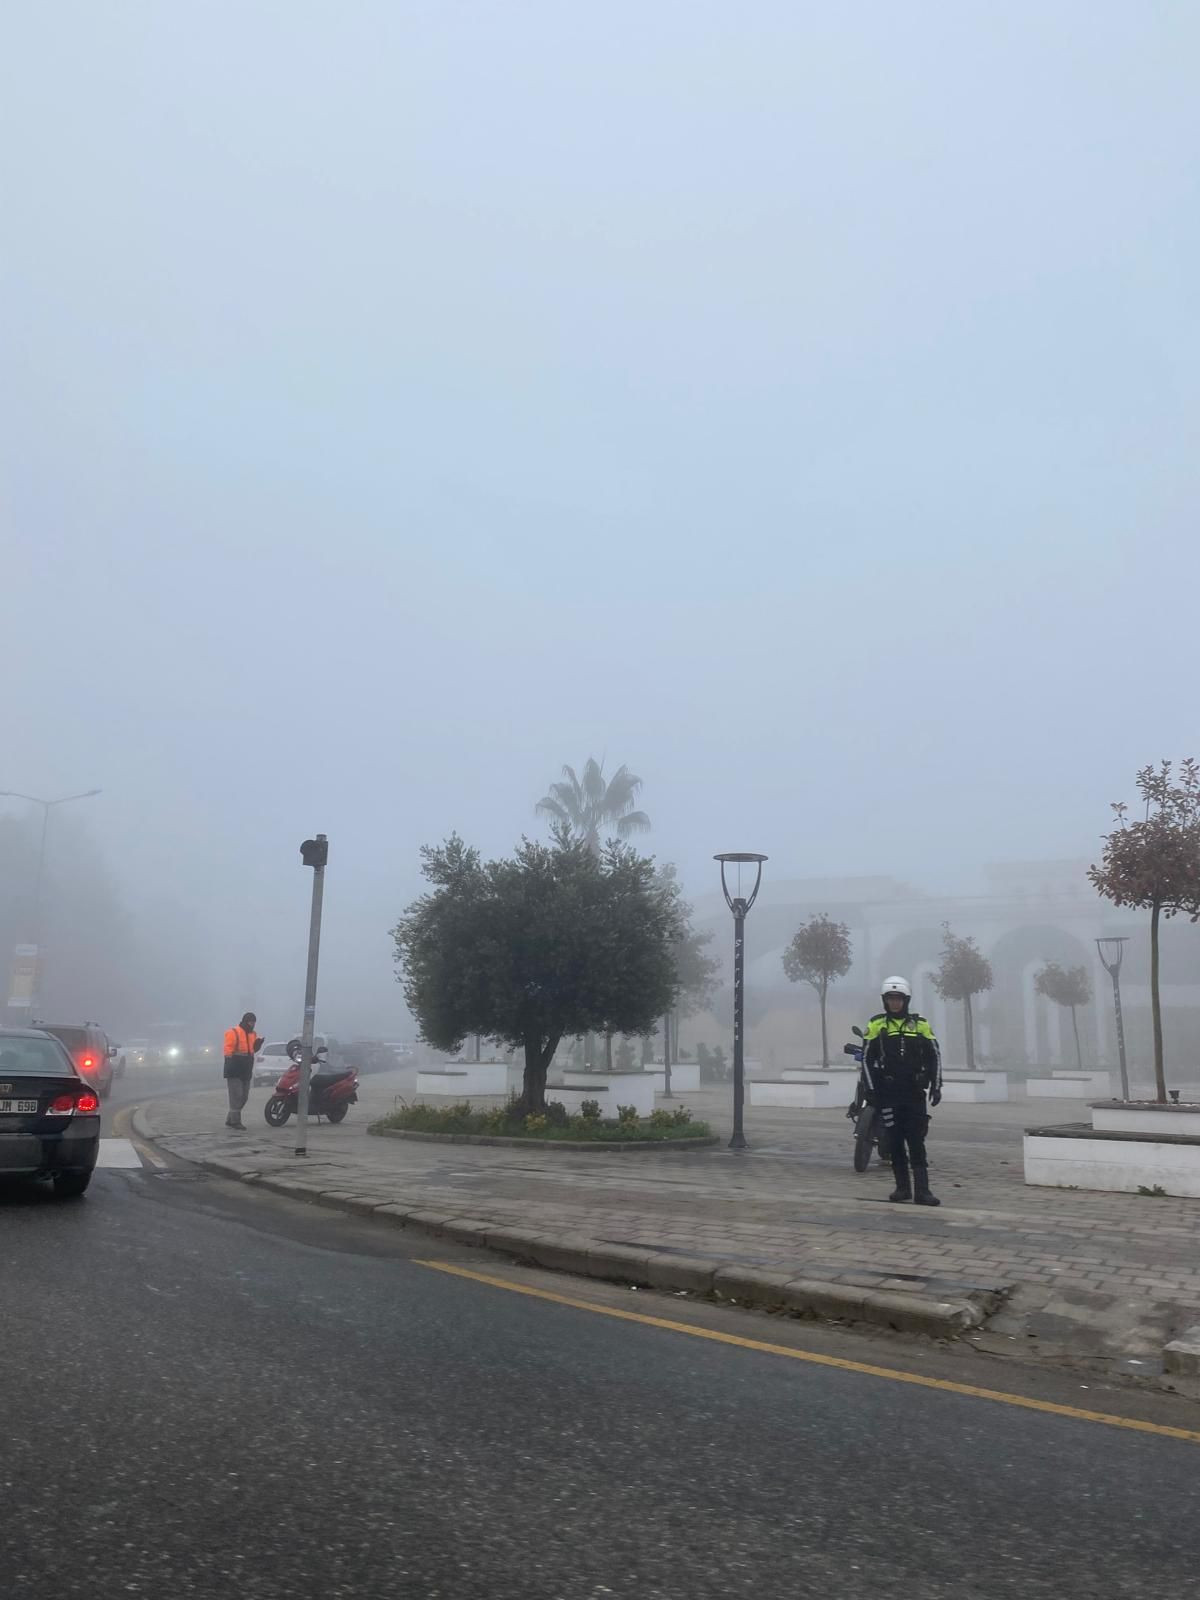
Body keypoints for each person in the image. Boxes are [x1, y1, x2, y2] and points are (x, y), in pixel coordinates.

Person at [859, 976, 943, 1205]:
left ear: (906, 1000)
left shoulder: (921, 1024)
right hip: (888, 1094)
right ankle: (902, 1188)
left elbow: (935, 1055)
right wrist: (871, 1090)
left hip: (914, 1094)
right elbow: (866, 1059)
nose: (894, 1003)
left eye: (898, 999)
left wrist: (936, 1085)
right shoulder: (877, 1025)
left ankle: (923, 1191)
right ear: (884, 1001)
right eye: (890, 999)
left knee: (916, 1141)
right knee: (894, 1142)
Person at [222, 1011, 262, 1129]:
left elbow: (252, 1050)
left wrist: (258, 1045)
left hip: (247, 1068)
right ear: (245, 1021)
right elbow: (228, 1049)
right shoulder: (233, 1032)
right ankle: (235, 1121)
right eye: (250, 1022)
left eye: (254, 1022)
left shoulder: (253, 1034)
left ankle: (230, 1118)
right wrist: (229, 1062)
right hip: (235, 1067)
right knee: (236, 1095)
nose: (252, 1024)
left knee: (244, 1096)